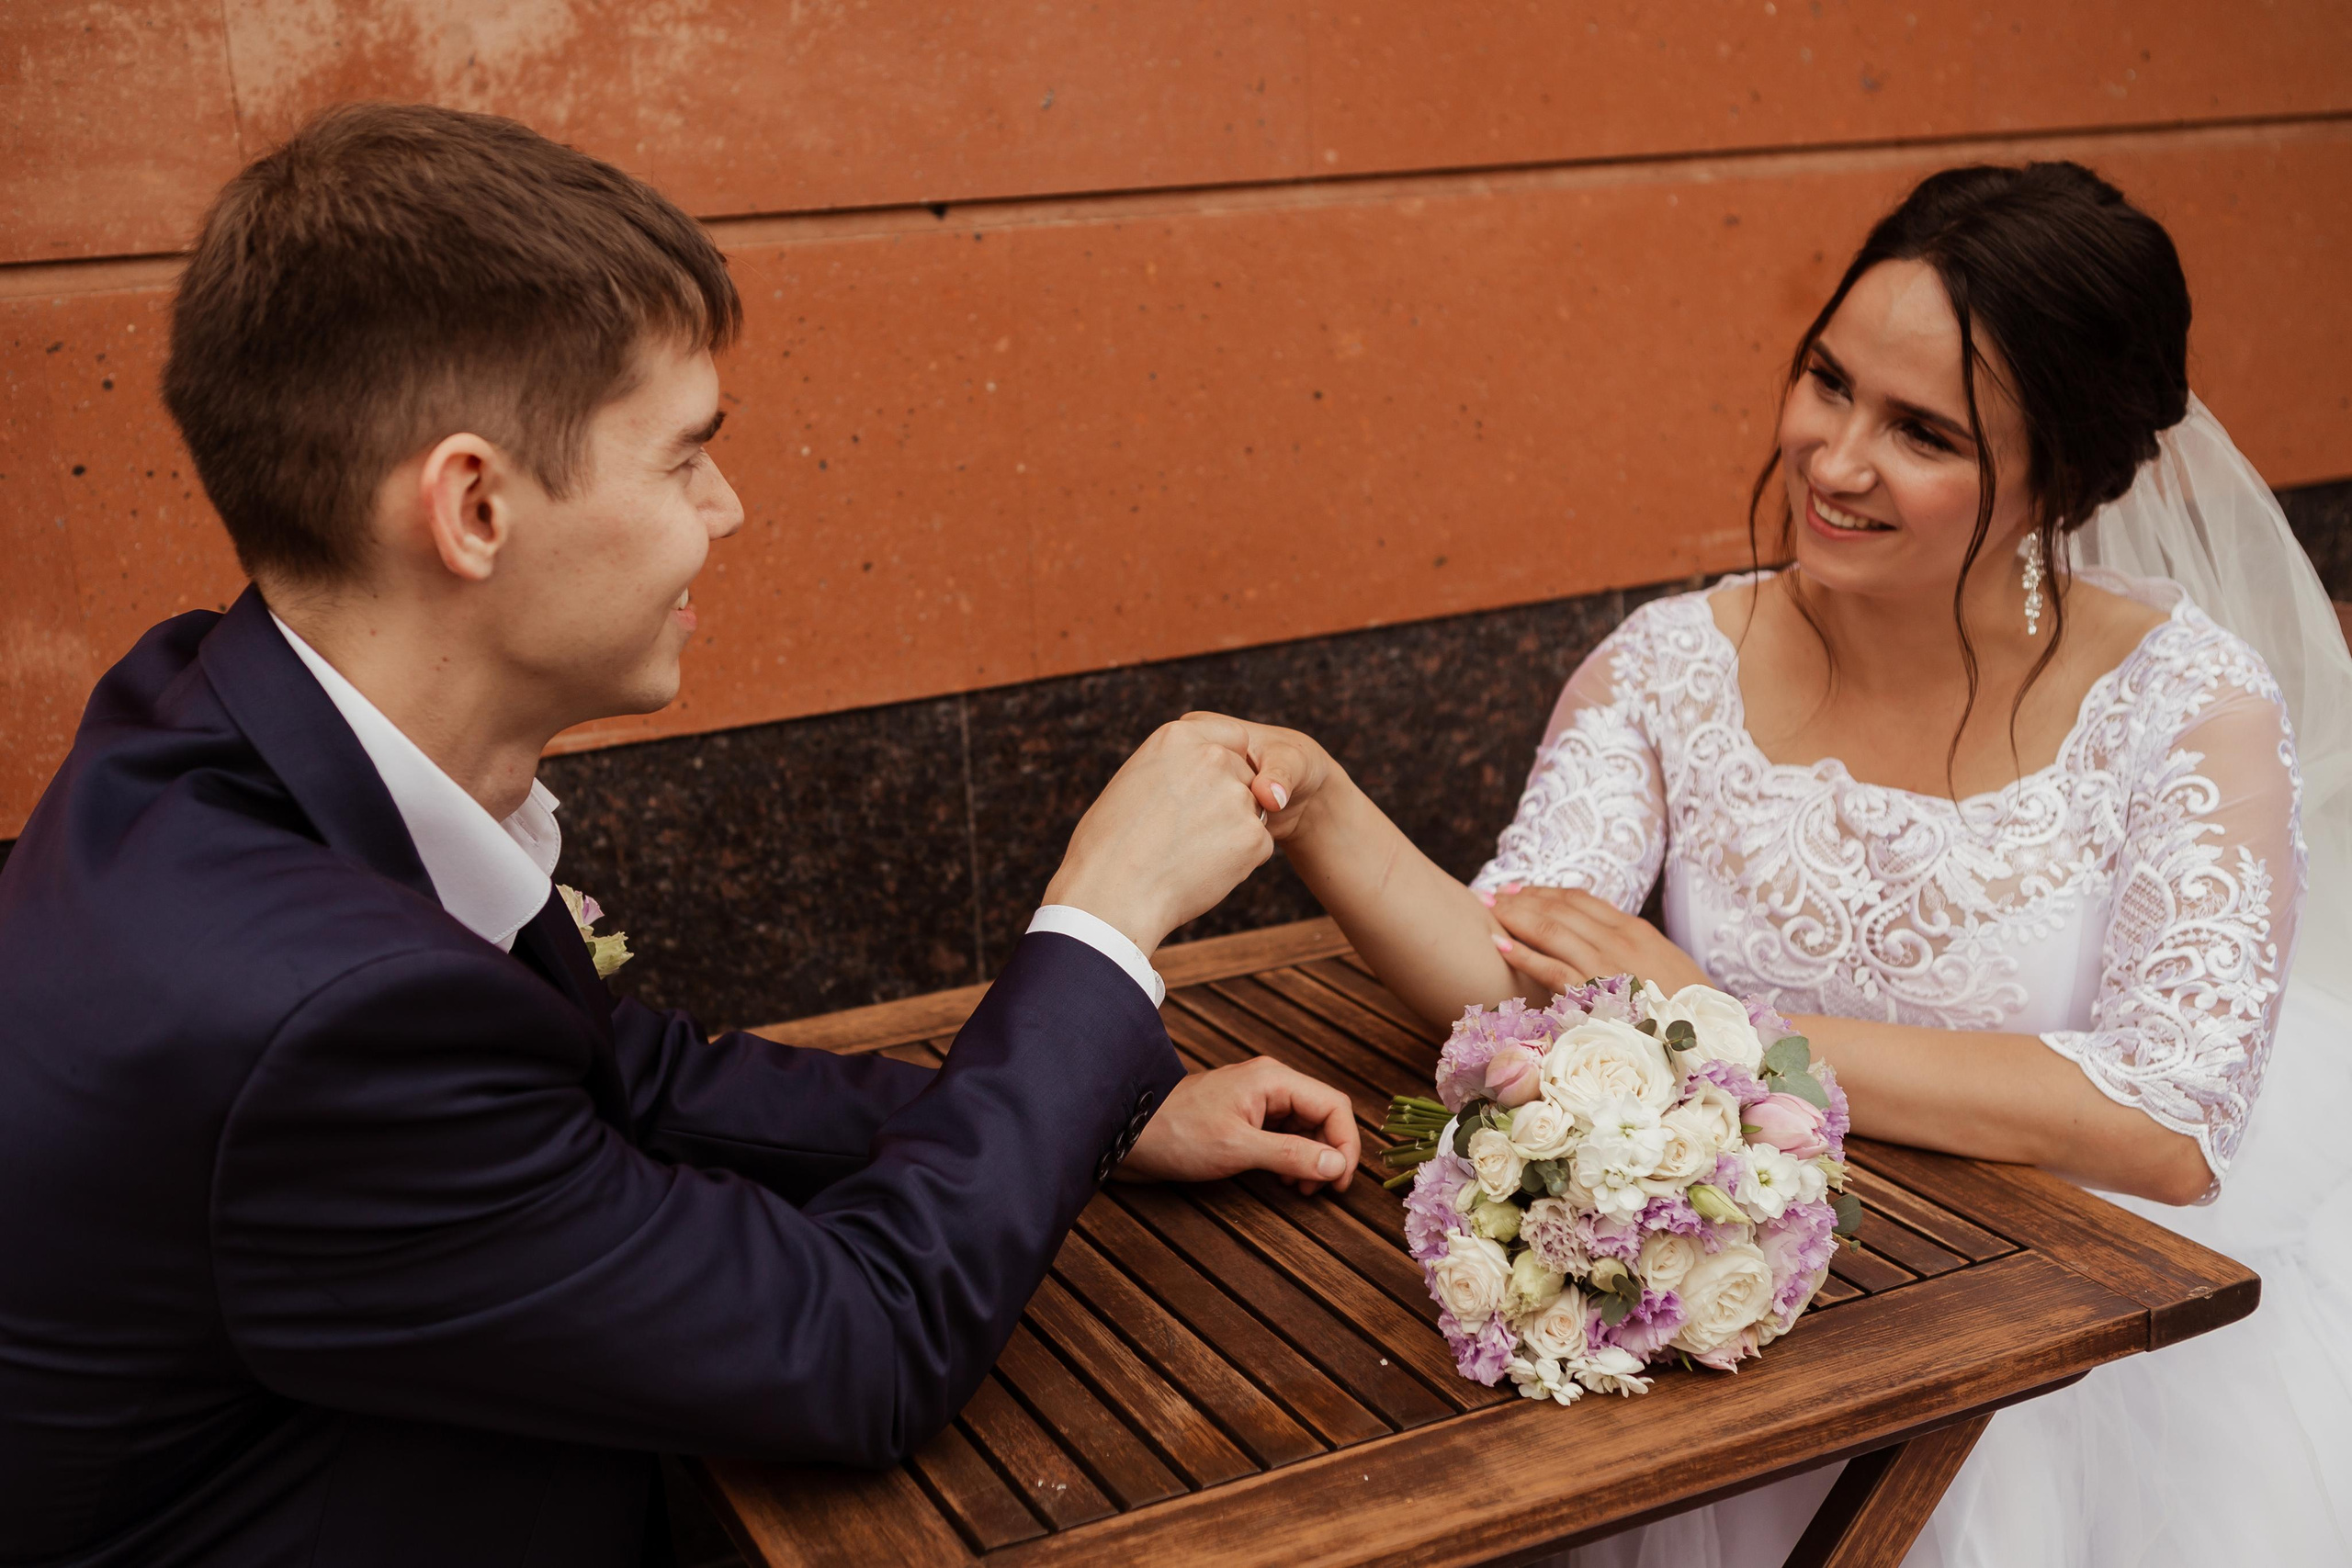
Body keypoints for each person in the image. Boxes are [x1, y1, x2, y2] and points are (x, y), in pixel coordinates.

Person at [0, 104, 1351, 1568]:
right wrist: (1104, 919)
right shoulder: (312, 1021)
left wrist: (1090, 1116)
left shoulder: (216, 713)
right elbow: (860, 1346)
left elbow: (621, 1079)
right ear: (472, 507)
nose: (730, 507)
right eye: (680, 458)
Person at [1232, 163, 2352, 1563]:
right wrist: (1323, 811)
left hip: (2056, 1356)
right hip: (1724, 1315)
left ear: (2064, 477)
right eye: (1828, 383)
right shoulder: (1669, 667)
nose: (1833, 460)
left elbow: (2171, 1127)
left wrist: (1722, 1029)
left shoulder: (2186, 709)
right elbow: (1511, 955)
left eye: (1922, 433)